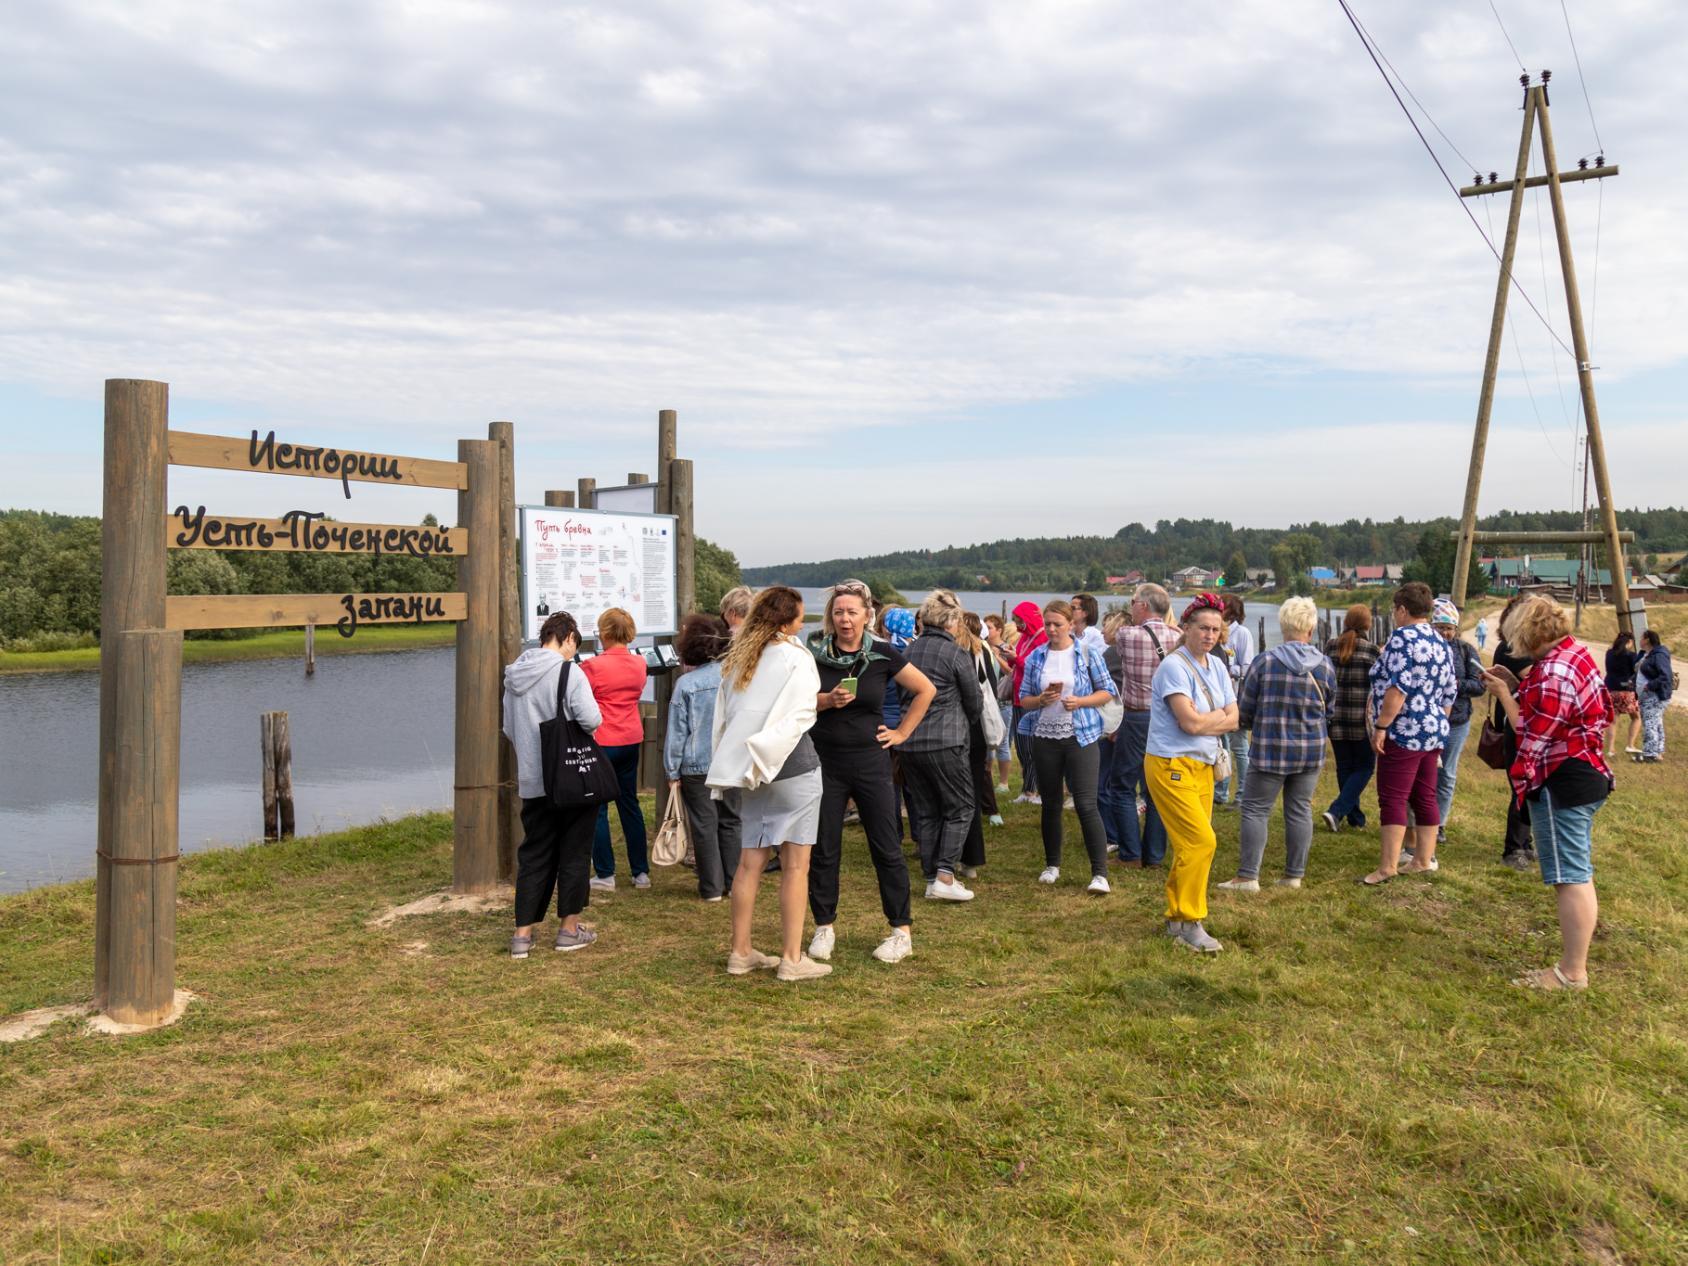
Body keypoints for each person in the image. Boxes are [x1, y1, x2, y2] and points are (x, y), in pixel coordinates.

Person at [1482, 595, 1612, 989]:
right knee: (1578, 872)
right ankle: (1574, 965)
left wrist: (1506, 696)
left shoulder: (1553, 672)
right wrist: (1516, 685)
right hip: (1584, 772)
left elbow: (1531, 734)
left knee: (1569, 876)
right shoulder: (1575, 654)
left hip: (1563, 780)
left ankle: (1572, 972)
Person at [804, 580, 934, 966]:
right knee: (824, 847)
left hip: (871, 762)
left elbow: (926, 690)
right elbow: (796, 701)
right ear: (832, 615)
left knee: (886, 846)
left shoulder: (882, 653)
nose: (845, 619)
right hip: (825, 761)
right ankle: (824, 926)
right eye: (839, 612)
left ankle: (900, 931)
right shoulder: (815, 653)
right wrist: (826, 701)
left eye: (852, 612)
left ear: (866, 615)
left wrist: (902, 733)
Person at [708, 586, 828, 981]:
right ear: (788, 621)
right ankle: (792, 958)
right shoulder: (796, 657)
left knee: (749, 863)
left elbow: (725, 718)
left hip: (750, 770)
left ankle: (740, 952)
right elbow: (803, 711)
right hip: (792, 767)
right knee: (796, 866)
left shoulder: (742, 657)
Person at [1217, 597, 1335, 892]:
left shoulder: (1265, 662)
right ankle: (1293, 875)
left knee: (1256, 809)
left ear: (1283, 626)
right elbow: (1329, 709)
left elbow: (1244, 709)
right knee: (1299, 810)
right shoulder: (1325, 665)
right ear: (1311, 627)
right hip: (1310, 750)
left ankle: (1248, 876)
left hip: (1270, 749)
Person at [502, 611, 603, 957]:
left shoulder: (514, 676)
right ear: (569, 638)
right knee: (574, 853)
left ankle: (522, 936)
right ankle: (568, 931)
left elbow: (507, 728)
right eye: (576, 644)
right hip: (571, 781)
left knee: (534, 855)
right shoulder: (569, 671)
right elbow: (591, 719)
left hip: (533, 781)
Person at [1145, 593, 1237, 952]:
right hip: (1171, 764)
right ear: (1185, 628)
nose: (1210, 635)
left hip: (1202, 765)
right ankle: (1190, 921)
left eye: (1216, 629)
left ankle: (1177, 917)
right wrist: (1215, 720)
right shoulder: (1174, 666)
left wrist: (1207, 721)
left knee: (1191, 845)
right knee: (1201, 842)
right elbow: (1190, 722)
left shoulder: (1217, 665)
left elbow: (1235, 717)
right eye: (1203, 628)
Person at [1358, 583, 1458, 886]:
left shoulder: (1401, 639)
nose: (1393, 615)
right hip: (1433, 729)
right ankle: (1423, 860)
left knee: (1393, 797)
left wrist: (1382, 726)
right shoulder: (1441, 641)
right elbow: (1450, 693)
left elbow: (1397, 688)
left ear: (1402, 610)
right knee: (1425, 794)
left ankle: (1388, 866)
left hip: (1403, 730)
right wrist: (1436, 721)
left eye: (1394, 609)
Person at [1017, 599, 1119, 892]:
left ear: (1071, 624)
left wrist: (1081, 701)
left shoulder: (1087, 653)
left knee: (1086, 803)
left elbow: (1108, 691)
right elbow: (1024, 698)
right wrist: (1041, 701)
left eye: (1057, 624)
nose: (1051, 629)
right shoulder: (1037, 656)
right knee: (1051, 803)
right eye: (1047, 624)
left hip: (1082, 735)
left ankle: (1099, 873)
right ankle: (1052, 865)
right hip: (1045, 736)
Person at [900, 590, 985, 901]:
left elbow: (900, 695)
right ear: (951, 621)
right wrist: (967, 722)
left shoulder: (907, 652)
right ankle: (946, 874)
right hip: (946, 740)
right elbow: (974, 700)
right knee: (960, 807)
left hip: (910, 740)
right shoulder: (955, 654)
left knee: (926, 810)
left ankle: (931, 875)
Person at [665, 614, 739, 903]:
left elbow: (677, 731)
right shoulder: (736, 678)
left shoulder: (686, 683)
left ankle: (711, 888)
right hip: (731, 760)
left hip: (696, 764)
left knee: (704, 825)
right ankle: (734, 883)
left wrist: (672, 770)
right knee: (732, 821)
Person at [1106, 583, 1180, 866]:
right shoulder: (1179, 636)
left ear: (1144, 606)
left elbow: (1113, 640)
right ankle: (1155, 854)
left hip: (1136, 716)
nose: (1131, 606)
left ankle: (1130, 853)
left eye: (1133, 601)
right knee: (1157, 788)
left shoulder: (1128, 634)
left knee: (1123, 785)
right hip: (1168, 717)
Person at [583, 607, 649, 890]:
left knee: (597, 808)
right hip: (631, 738)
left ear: (606, 633)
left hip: (603, 740)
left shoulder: (592, 667)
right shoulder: (639, 664)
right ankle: (640, 872)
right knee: (629, 803)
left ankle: (606, 873)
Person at [1430, 598, 1488, 847]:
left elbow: (1480, 684)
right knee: (1425, 773)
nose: (1444, 632)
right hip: (1427, 722)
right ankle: (1423, 820)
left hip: (1456, 722)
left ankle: (1439, 823)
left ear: (1456, 628)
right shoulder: (1424, 649)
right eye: (1440, 627)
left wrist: (1452, 685)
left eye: (1448, 627)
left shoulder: (1465, 651)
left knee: (1447, 774)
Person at [1320, 605, 1380, 833]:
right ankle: (1337, 811)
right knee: (1365, 767)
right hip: (1361, 721)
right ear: (1368, 624)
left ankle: (1355, 817)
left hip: (1335, 719)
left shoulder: (1331, 646)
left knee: (1344, 767)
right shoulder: (1372, 650)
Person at [1491, 594, 1537, 870]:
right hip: (1516, 724)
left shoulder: (1527, 647)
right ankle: (1515, 848)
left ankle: (1525, 843)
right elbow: (1536, 678)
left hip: (1531, 723)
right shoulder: (1511, 647)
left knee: (1531, 786)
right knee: (1522, 787)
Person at [960, 612, 1004, 836]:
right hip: (978, 721)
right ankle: (978, 814)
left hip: (969, 721)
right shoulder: (983, 649)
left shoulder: (968, 651)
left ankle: (973, 818)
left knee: (970, 774)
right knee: (978, 772)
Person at [1095, 609, 1130, 855]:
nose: (1102, 630)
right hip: (1127, 723)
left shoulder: (1111, 654)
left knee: (1102, 782)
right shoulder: (1128, 654)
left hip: (1111, 723)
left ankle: (1111, 834)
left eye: (1107, 626)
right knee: (1119, 782)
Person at [1214, 594, 1255, 806]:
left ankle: (1242, 795)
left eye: (1223, 605)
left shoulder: (1243, 634)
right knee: (1222, 746)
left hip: (1235, 698)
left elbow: (1248, 667)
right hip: (1217, 699)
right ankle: (1220, 793)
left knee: (1239, 747)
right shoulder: (1217, 631)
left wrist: (1226, 668)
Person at [1008, 601, 1048, 804]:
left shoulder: (1042, 639)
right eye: (1015, 621)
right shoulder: (1023, 638)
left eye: (1019, 620)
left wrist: (1016, 659)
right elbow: (1018, 662)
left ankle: (1034, 790)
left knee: (1032, 747)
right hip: (1017, 697)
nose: (1016, 625)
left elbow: (1037, 669)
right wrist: (1010, 656)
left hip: (1032, 698)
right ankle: (1029, 788)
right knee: (1022, 747)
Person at [983, 614, 1015, 790]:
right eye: (985, 626)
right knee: (987, 742)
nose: (987, 630)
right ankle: (986, 777)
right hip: (988, 702)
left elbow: (1012, 672)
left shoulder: (1006, 648)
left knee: (1002, 742)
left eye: (990, 627)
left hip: (1003, 702)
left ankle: (1003, 783)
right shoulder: (982, 646)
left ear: (999, 630)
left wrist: (997, 657)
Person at [1603, 632, 1643, 757]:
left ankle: (1610, 749)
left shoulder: (1609, 653)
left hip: (1610, 690)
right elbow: (1635, 671)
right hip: (1626, 690)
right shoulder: (1631, 655)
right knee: (1636, 717)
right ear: (1629, 642)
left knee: (1613, 720)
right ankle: (1630, 745)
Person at [1636, 630, 1673, 762]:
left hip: (1654, 694)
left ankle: (1650, 754)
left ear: (1647, 640)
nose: (1639, 640)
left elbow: (1666, 676)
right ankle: (1657, 752)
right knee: (1656, 723)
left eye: (1641, 638)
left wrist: (1649, 686)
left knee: (1650, 723)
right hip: (1648, 695)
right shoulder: (1648, 654)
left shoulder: (1659, 655)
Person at [1070, 593, 1107, 657]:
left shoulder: (1098, 637)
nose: (1068, 610)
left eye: (1073, 608)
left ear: (1085, 613)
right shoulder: (1068, 633)